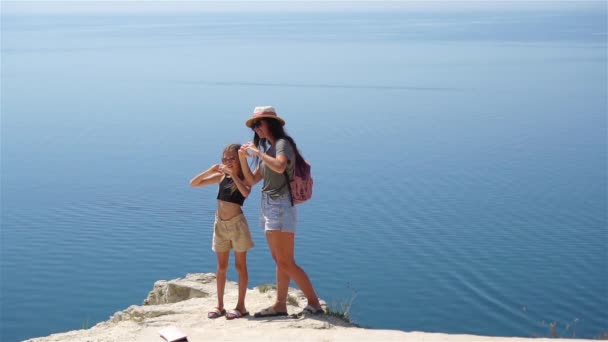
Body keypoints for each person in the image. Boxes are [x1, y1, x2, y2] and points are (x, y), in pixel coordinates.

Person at [238, 106, 324, 317]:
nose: (256, 128)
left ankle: (314, 303)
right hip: (269, 204)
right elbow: (251, 180)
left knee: (286, 261)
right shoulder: (269, 149)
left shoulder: (282, 145)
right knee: (280, 260)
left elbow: (280, 166)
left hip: (281, 205)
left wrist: (257, 152)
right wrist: (242, 158)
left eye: (259, 123)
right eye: (254, 125)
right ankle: (280, 304)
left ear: (271, 123)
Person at [190, 143, 254, 320]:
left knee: (240, 266)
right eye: (225, 158)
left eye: (232, 158)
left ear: (239, 160)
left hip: (237, 225)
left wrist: (233, 174)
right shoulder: (220, 177)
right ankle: (219, 305)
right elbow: (194, 183)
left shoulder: (244, 177)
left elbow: (246, 193)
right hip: (220, 225)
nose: (228, 161)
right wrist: (210, 170)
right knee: (221, 267)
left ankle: (241, 306)